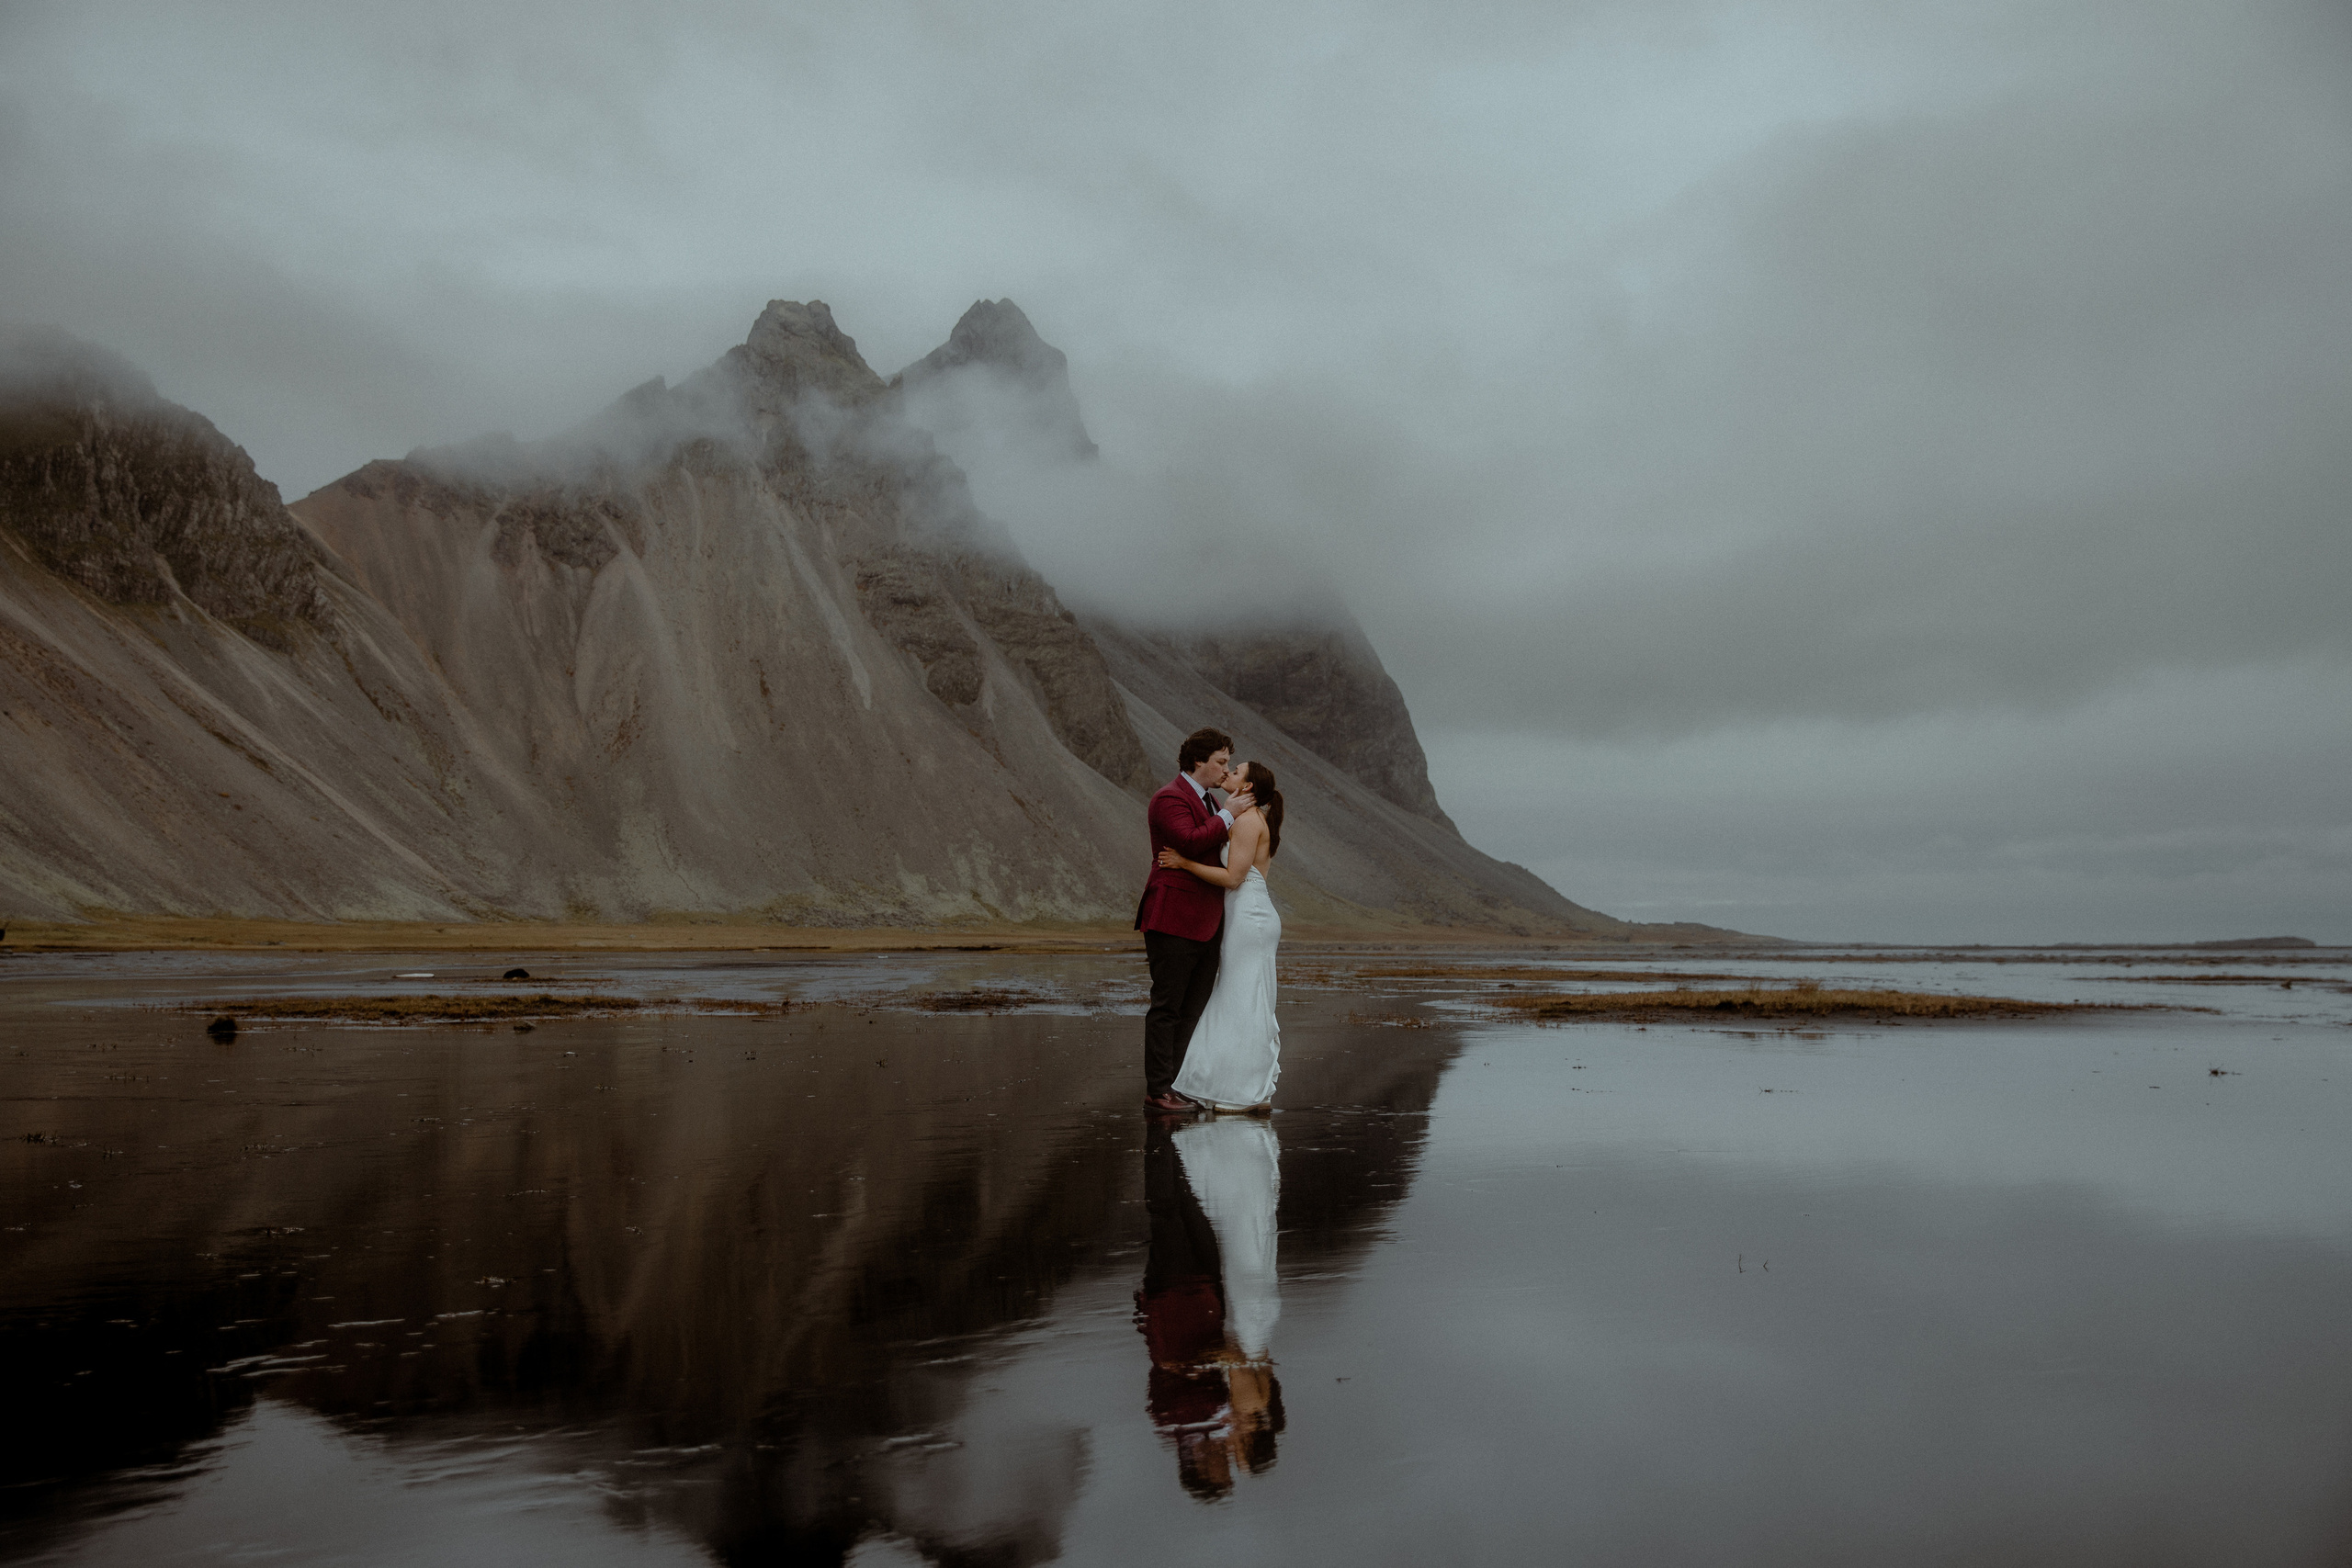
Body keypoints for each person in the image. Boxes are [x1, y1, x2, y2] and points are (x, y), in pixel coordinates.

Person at [1135, 728, 1253, 1113]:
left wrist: (1225, 812)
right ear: (1198, 761)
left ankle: (1178, 1085)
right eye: (1221, 761)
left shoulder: (1209, 801)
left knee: (1193, 1008)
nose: (1225, 770)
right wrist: (1228, 814)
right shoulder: (1169, 797)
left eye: (1228, 763)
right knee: (1167, 1006)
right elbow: (1188, 840)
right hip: (1172, 918)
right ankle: (1158, 1090)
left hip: (1206, 922)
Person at [1159, 761, 1284, 1113]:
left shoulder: (1247, 820)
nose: (1227, 774)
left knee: (1238, 998)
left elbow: (1233, 878)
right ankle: (1254, 1092)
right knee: (1249, 998)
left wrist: (1184, 863)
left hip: (1250, 917)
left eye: (1236, 771)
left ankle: (1237, 1093)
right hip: (1249, 916)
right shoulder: (1248, 817)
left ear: (1247, 788)